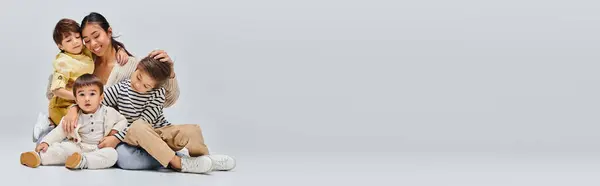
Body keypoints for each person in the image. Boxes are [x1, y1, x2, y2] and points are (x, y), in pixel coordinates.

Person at [64, 56, 236, 173]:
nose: (139, 86)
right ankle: (178, 162)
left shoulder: (158, 93)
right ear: (136, 68)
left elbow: (149, 119)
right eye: (138, 78)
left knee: (192, 130)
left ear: (154, 87)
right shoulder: (120, 88)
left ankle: (206, 161)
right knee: (137, 128)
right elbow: (94, 100)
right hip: (133, 136)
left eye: (147, 86)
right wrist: (73, 108)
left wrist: (115, 138)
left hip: (158, 131)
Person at [32, 18, 130, 144]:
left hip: (82, 100)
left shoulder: (84, 51)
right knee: (74, 127)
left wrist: (120, 49)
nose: (75, 42)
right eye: (68, 40)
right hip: (63, 104)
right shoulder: (63, 62)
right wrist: (76, 98)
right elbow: (56, 89)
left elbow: (105, 43)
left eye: (78, 37)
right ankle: (49, 122)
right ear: (60, 46)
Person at [21, 74, 128, 170]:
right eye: (81, 95)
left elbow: (123, 121)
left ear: (101, 98)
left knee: (112, 155)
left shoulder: (109, 112)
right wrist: (46, 142)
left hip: (99, 148)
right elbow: (59, 131)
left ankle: (82, 161)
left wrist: (114, 131)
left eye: (92, 94)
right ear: (76, 100)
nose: (87, 99)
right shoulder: (73, 117)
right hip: (77, 146)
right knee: (61, 148)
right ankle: (38, 158)